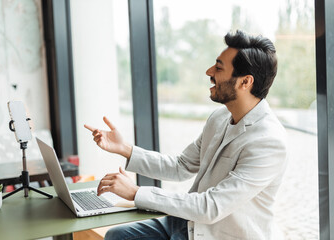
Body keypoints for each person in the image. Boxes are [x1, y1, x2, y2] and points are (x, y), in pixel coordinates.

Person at [84, 30, 288, 240]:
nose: (209, 72)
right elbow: (180, 166)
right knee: (117, 236)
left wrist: (135, 193)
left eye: (219, 67)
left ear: (245, 82)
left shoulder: (269, 142)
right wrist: (124, 148)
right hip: (186, 223)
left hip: (219, 234)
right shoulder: (219, 117)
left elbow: (211, 207)